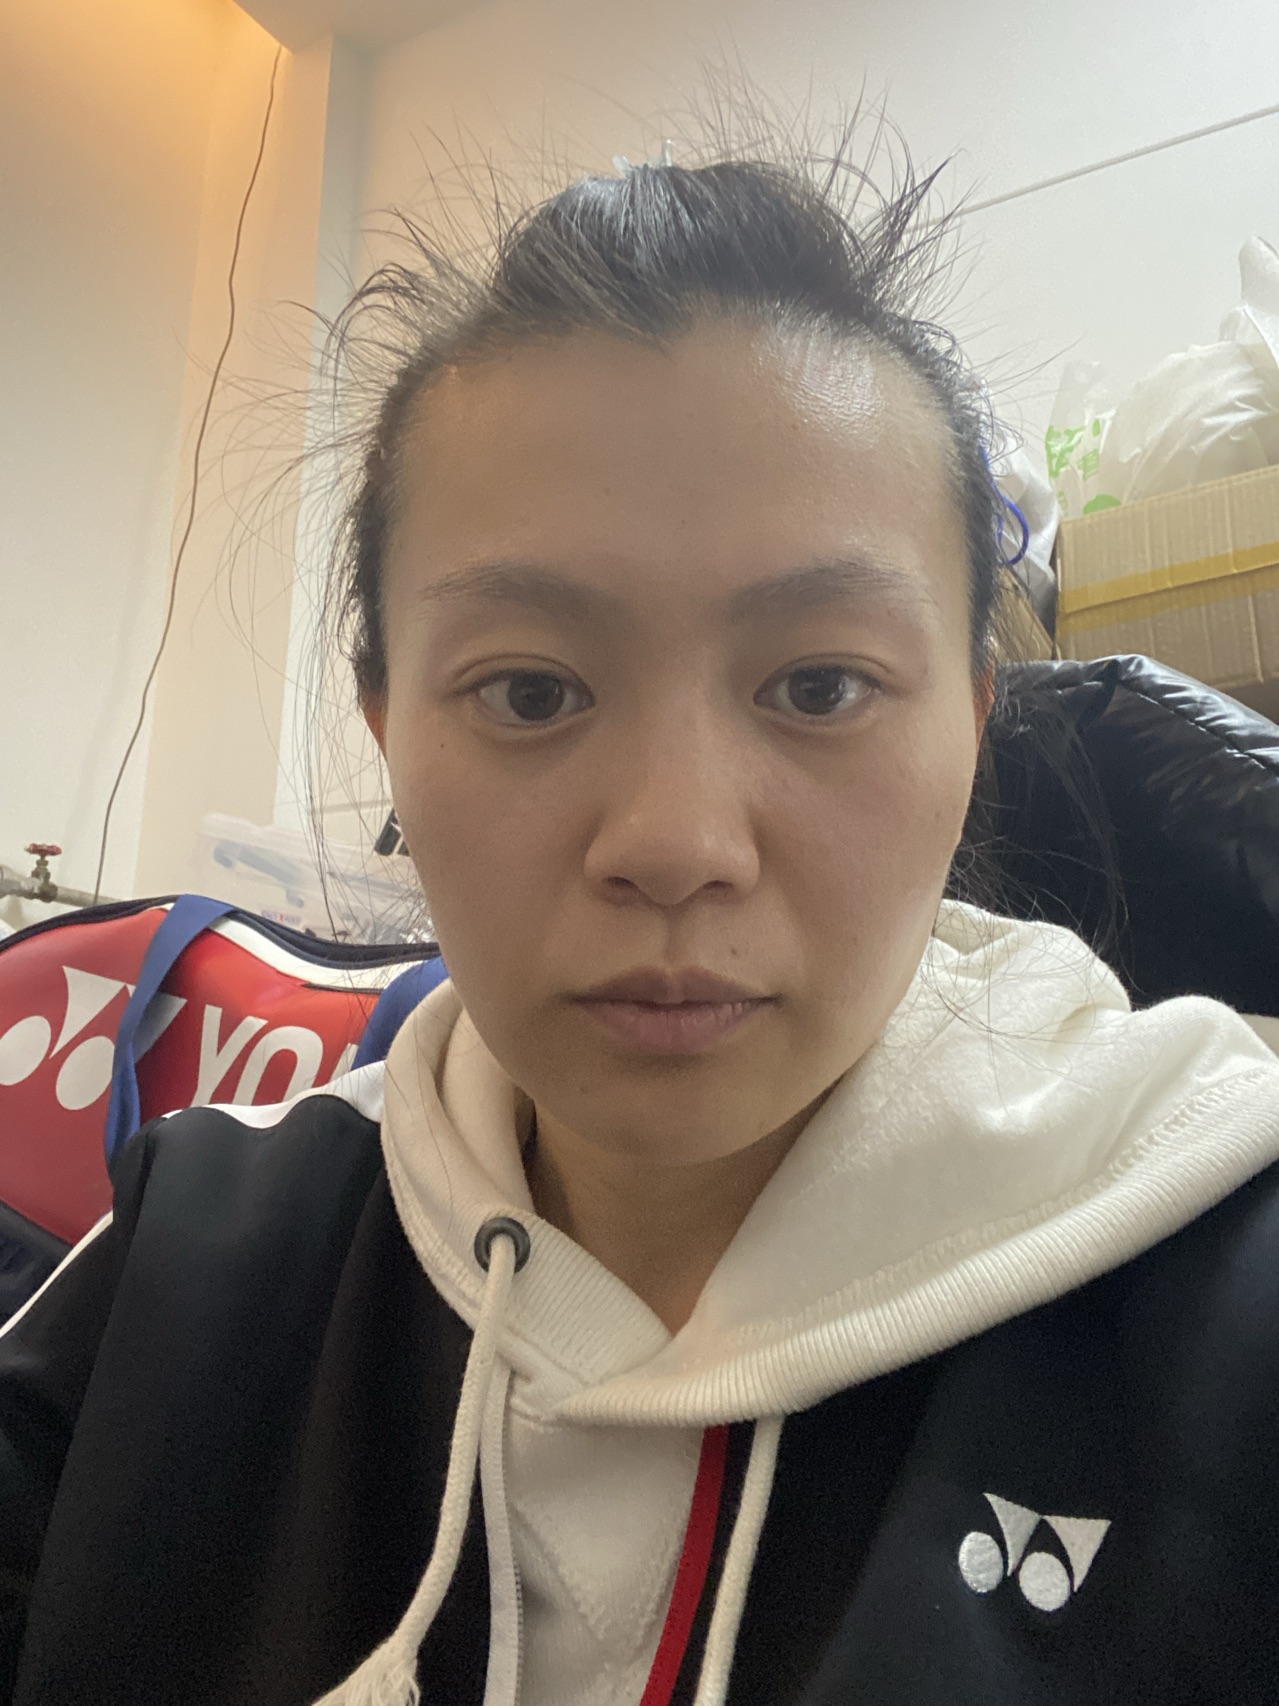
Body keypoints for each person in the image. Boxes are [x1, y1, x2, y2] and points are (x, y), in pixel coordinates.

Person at [4, 132, 1279, 1706]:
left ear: (975, 723)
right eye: (531, 692)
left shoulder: (1229, 1300)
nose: (675, 843)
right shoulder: (198, 1257)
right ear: (388, 727)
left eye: (821, 685)